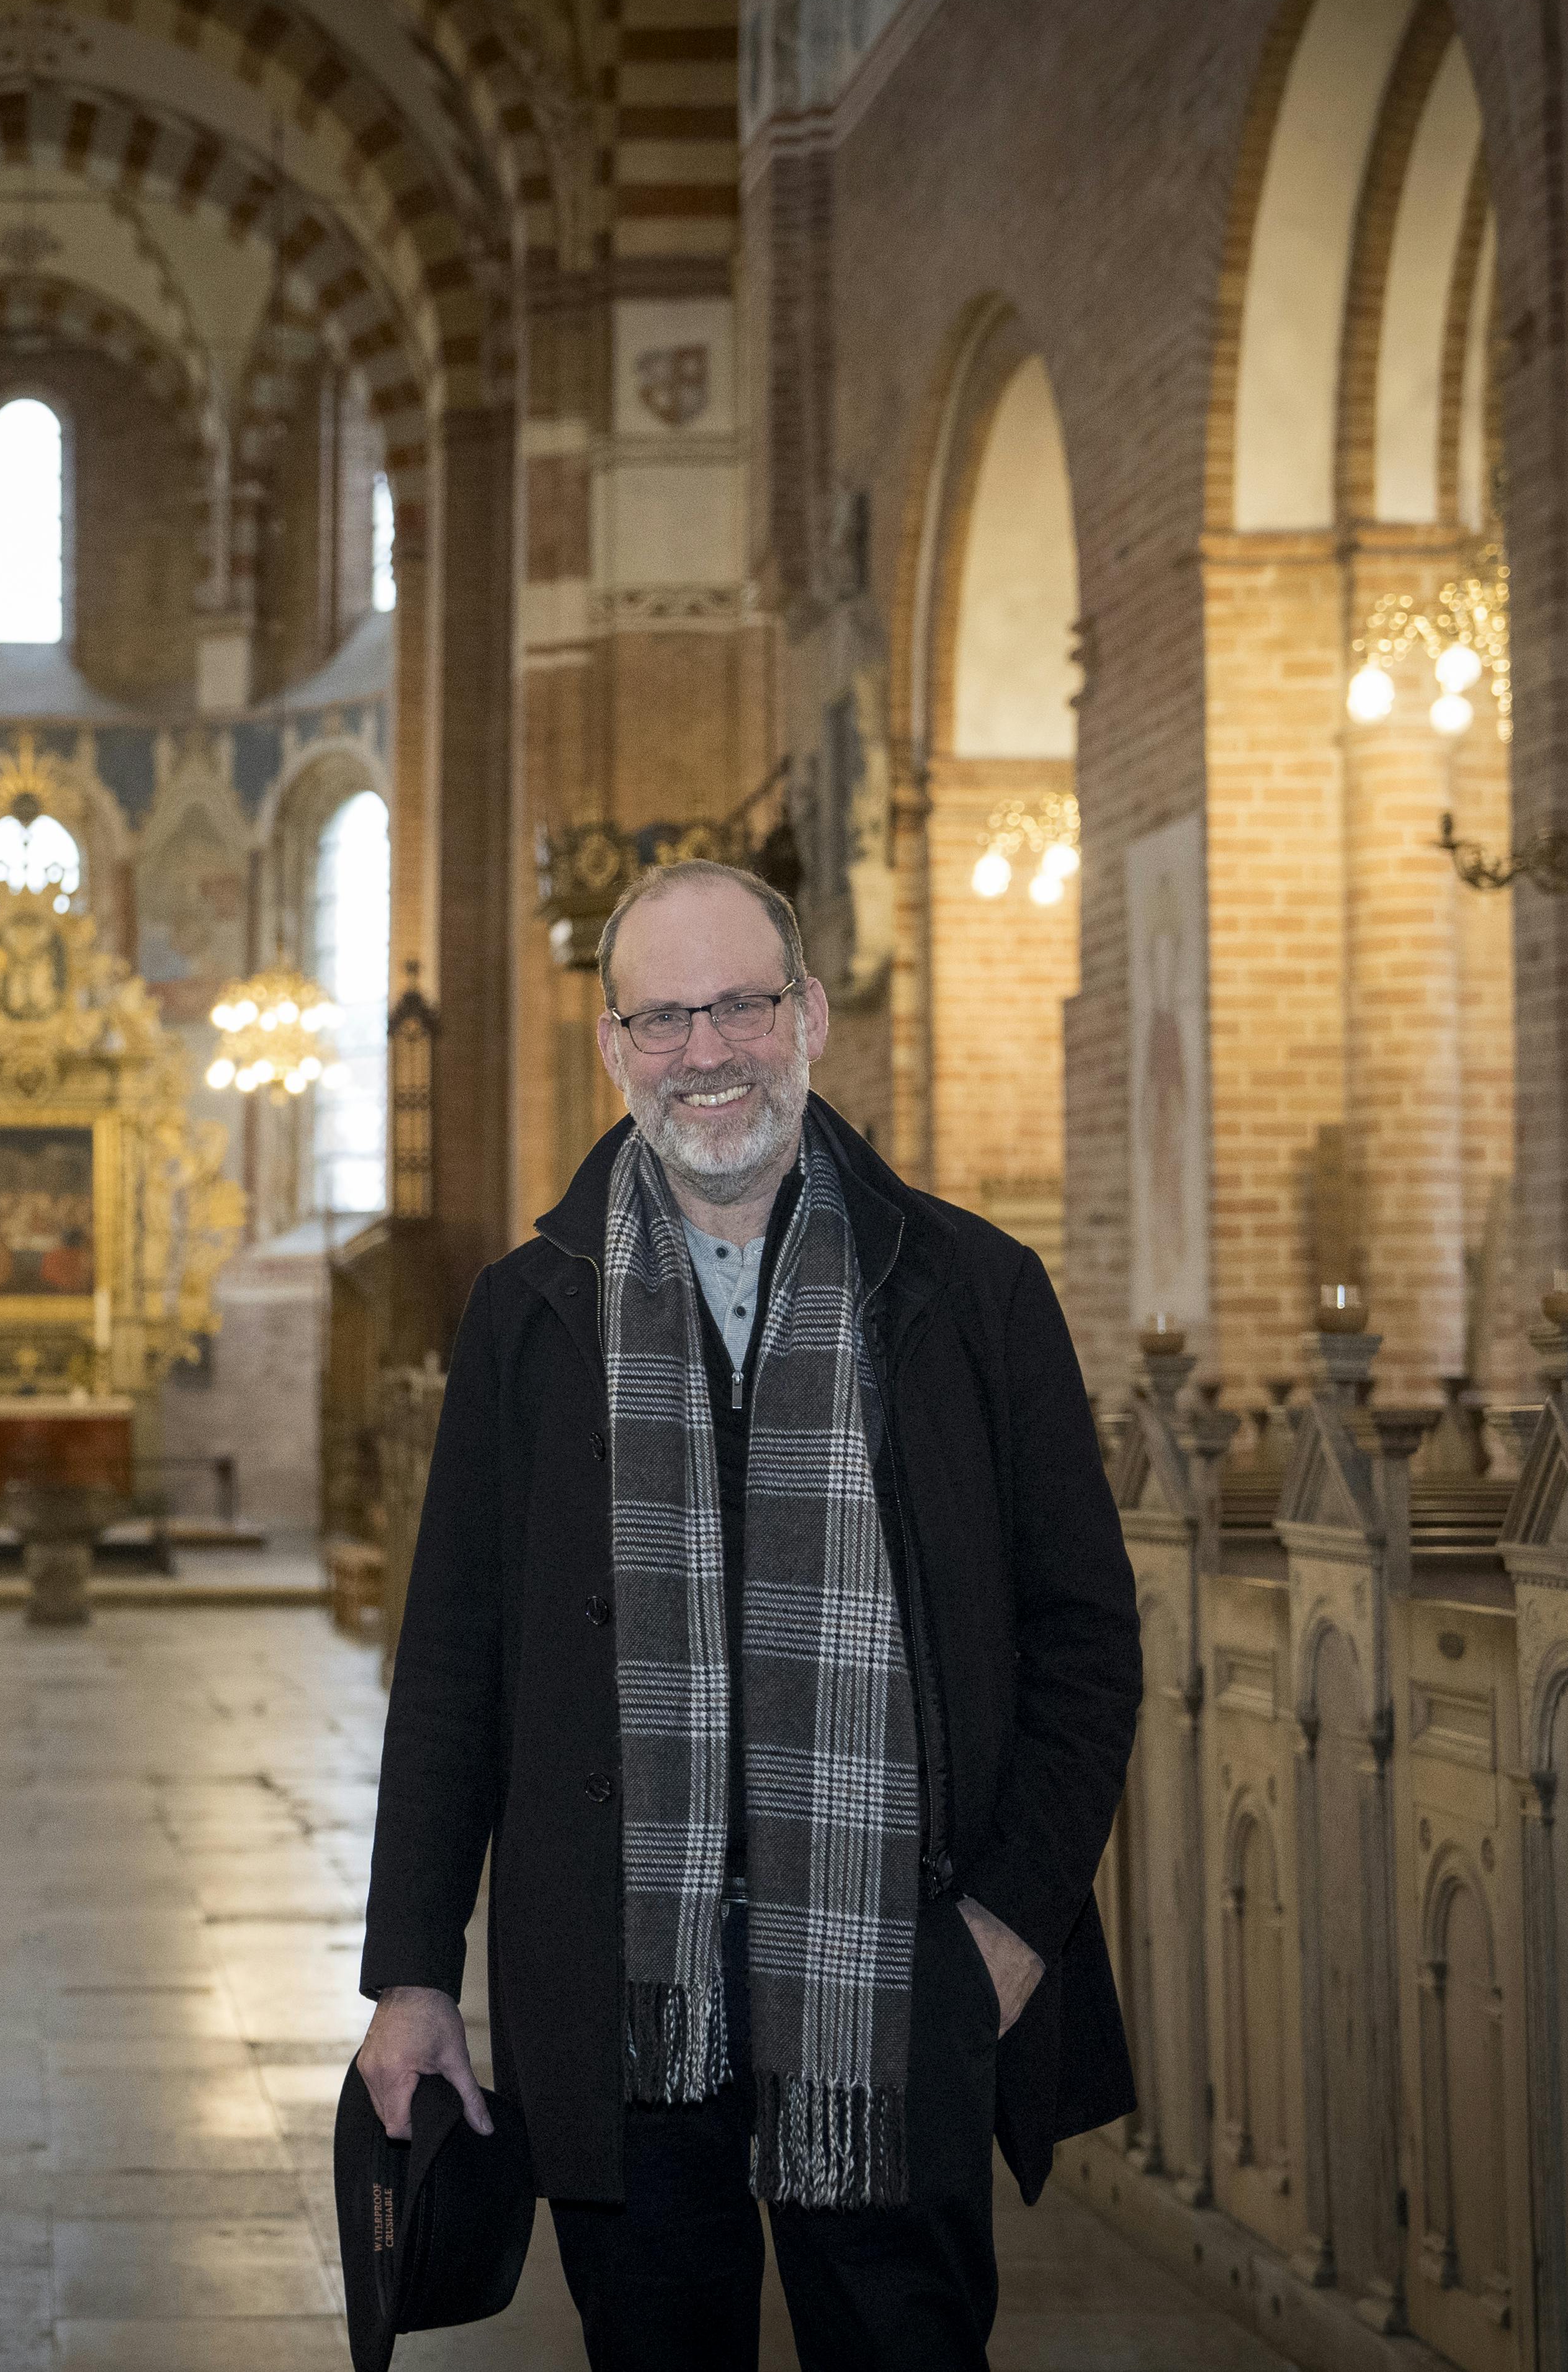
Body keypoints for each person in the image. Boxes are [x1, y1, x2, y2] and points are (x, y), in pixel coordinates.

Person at [354, 860, 1141, 2370]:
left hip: (893, 1985)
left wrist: (1006, 1928)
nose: (702, 1053)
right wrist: (411, 1973)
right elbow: (453, 1668)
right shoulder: (531, 1315)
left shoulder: (970, 1295)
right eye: (661, 1017)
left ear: (809, 1018)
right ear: (611, 1047)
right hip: (620, 1990)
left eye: (738, 1006)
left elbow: (1085, 1641)